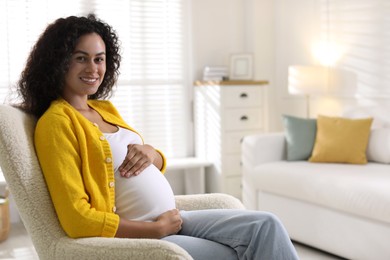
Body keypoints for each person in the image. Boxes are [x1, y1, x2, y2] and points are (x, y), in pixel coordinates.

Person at [17, 14, 299, 260]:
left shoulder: (103, 109)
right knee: (234, 253)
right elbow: (77, 218)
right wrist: (155, 229)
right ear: (58, 62)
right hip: (144, 232)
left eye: (99, 59)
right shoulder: (57, 124)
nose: (93, 69)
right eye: (81, 58)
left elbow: (144, 162)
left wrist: (152, 153)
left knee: (267, 225)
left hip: (173, 217)